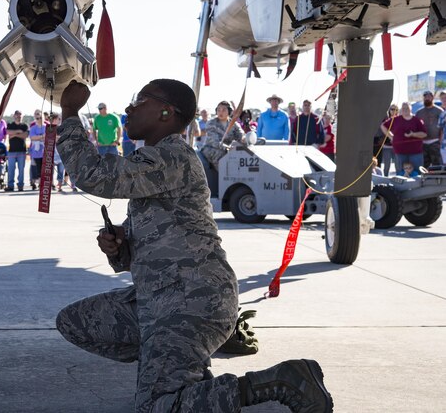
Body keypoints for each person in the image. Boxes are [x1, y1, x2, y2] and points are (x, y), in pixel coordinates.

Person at [55, 78, 333, 413]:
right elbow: (156, 243)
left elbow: (95, 174)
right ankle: (182, 370)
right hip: (159, 298)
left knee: (157, 407)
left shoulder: (173, 158)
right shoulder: (155, 161)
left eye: (139, 101)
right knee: (75, 322)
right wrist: (119, 247)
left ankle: (279, 381)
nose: (129, 108)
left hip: (192, 300)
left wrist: (70, 111)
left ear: (165, 112)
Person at [380, 101, 426, 176]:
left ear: (410, 108)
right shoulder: (395, 120)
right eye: (403, 108)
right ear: (401, 109)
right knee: (400, 172)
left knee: (417, 173)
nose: (405, 109)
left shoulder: (417, 120)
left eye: (407, 108)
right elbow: (383, 126)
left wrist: (413, 134)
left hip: (415, 151)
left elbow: (424, 134)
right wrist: (391, 136)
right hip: (400, 151)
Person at [200, 101, 245, 171]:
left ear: (229, 111)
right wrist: (227, 148)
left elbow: (240, 135)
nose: (221, 112)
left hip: (229, 149)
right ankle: (224, 178)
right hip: (212, 149)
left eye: (224, 110)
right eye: (218, 110)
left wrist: (244, 139)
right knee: (222, 156)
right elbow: (214, 141)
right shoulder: (211, 123)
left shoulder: (233, 123)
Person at [415, 90, 443, 168]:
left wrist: (440, 141)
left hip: (435, 142)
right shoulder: (418, 112)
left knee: (437, 166)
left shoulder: (439, 111)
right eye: (425, 97)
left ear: (432, 97)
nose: (427, 98)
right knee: (424, 166)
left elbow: (443, 127)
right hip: (423, 143)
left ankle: (437, 180)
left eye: (429, 96)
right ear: (423, 98)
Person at [6, 110, 28, 192]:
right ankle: (10, 185)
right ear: (14, 116)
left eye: (20, 115)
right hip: (11, 150)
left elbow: (25, 135)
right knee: (11, 169)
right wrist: (18, 132)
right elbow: (8, 133)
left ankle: (20, 185)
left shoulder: (24, 126)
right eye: (17, 115)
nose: (18, 116)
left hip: (22, 150)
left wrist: (14, 134)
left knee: (21, 169)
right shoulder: (10, 125)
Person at [376, 104, 397, 176]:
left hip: (397, 147)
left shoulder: (400, 119)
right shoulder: (385, 120)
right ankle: (385, 179)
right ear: (389, 110)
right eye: (392, 109)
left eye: (395, 109)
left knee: (398, 166)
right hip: (386, 146)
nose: (394, 111)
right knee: (387, 166)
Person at [29, 110, 47, 190]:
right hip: (36, 151)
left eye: (40, 117)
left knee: (45, 167)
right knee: (36, 167)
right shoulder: (33, 128)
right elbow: (32, 137)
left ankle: (44, 182)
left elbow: (48, 137)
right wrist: (42, 136)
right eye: (37, 118)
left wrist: (39, 137)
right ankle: (37, 182)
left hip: (45, 150)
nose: (39, 119)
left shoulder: (46, 127)